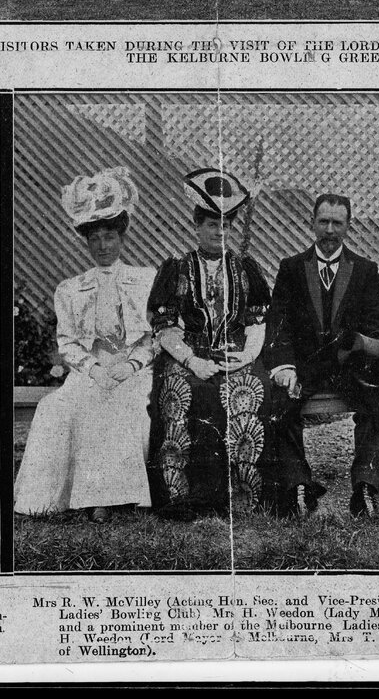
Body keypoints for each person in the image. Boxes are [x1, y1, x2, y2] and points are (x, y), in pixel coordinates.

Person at [14, 167, 157, 523]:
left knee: (115, 404)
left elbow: (153, 338)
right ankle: (46, 498)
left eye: (109, 237)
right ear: (86, 242)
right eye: (95, 239)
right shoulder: (70, 289)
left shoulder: (144, 281)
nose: (103, 246)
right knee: (55, 406)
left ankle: (106, 500)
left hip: (133, 371)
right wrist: (94, 368)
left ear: (122, 239)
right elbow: (68, 344)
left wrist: (128, 366)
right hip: (89, 370)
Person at [147, 168, 282, 522]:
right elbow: (163, 327)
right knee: (185, 389)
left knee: (251, 388)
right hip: (190, 353)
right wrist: (192, 361)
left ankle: (244, 495)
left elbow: (257, 320)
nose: (219, 232)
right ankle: (186, 498)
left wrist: (248, 356)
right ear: (197, 226)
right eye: (211, 225)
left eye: (225, 226)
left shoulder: (245, 268)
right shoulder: (177, 268)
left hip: (234, 353)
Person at [263, 194, 379, 519]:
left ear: (348, 226)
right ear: (312, 223)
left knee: (378, 399)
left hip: (349, 368)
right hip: (306, 369)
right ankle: (297, 484)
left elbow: (378, 327)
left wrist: (362, 354)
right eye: (324, 221)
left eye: (338, 223)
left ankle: (364, 486)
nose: (330, 230)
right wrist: (284, 366)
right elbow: (278, 325)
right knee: (278, 399)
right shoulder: (291, 268)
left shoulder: (365, 271)